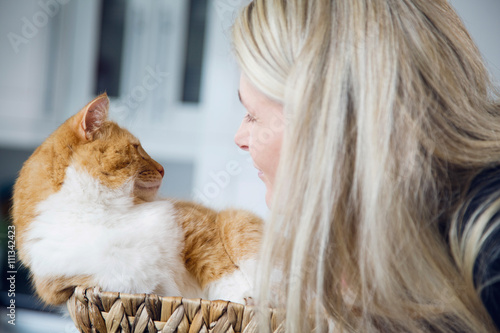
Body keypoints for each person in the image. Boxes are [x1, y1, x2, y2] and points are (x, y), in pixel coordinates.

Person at [231, 0, 500, 332]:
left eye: (253, 116)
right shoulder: (375, 251)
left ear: (328, 120)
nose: (239, 137)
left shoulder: (489, 243)